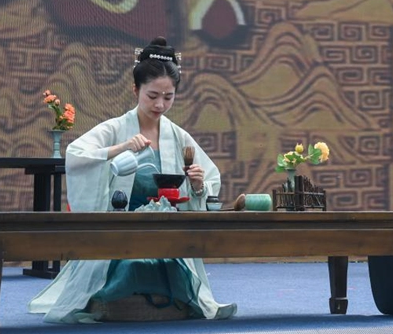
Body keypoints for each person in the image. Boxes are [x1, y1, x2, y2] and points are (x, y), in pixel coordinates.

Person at [28, 37, 237, 323]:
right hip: (121, 228)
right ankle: (116, 302)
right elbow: (77, 155)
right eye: (152, 96)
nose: (160, 104)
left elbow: (207, 181)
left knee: (169, 263)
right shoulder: (116, 128)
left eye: (168, 97)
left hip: (164, 230)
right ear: (135, 89)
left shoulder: (178, 136)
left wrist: (198, 184)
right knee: (133, 264)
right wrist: (121, 148)